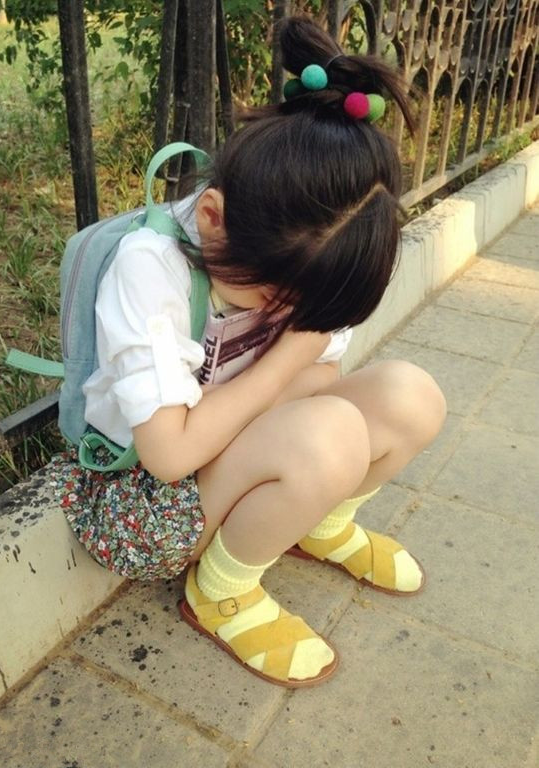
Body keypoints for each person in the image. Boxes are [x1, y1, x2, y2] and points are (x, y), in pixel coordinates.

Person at [49, 15, 446, 688]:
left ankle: (318, 523)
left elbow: (326, 371)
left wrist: (287, 373)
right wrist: (287, 360)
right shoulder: (152, 267)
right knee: (328, 435)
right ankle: (220, 593)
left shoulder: (300, 253)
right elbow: (169, 453)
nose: (291, 316)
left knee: (412, 397)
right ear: (211, 219)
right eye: (276, 298)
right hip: (141, 504)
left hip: (216, 448)